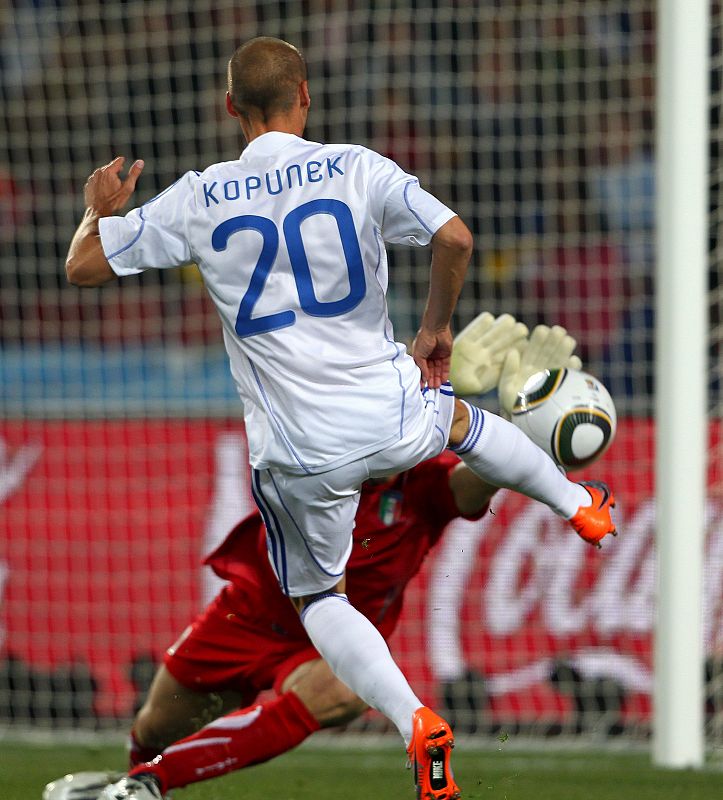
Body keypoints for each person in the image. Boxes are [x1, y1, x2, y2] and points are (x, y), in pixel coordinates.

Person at [64, 37, 616, 800]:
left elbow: (82, 268)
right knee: (459, 423)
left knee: (322, 599)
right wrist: (434, 329)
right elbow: (454, 236)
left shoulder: (199, 195)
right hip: (389, 410)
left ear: (230, 108)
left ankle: (415, 720)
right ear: (305, 94)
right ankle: (577, 504)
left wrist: (97, 213)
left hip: (301, 446)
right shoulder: (357, 166)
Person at [44, 320, 586, 800]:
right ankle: (137, 778)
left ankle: (153, 784)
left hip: (332, 645)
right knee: (153, 730)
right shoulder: (308, 448)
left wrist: (530, 435)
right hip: (248, 613)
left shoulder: (422, 489)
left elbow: (477, 481)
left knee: (340, 692)